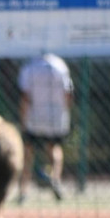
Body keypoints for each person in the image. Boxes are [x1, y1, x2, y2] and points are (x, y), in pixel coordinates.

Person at [17, 52, 72, 202]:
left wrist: (23, 120)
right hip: (56, 116)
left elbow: (25, 97)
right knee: (54, 148)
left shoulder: (29, 67)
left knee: (28, 152)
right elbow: (68, 93)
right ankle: (56, 179)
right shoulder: (60, 66)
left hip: (34, 116)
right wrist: (66, 113)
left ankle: (23, 192)